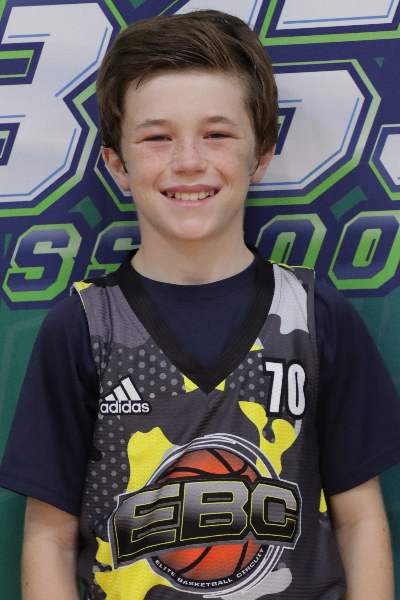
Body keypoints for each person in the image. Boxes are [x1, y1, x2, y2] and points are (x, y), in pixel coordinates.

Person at [1, 10, 400, 600]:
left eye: (217, 134)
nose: (188, 160)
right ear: (117, 163)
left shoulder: (316, 318)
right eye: (157, 137)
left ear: (260, 155)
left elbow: (360, 521)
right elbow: (49, 540)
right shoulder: (84, 327)